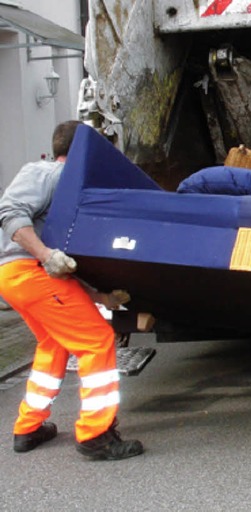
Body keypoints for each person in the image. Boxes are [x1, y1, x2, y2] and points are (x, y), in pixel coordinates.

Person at [0, 120, 144, 460]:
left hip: (25, 277)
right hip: (31, 273)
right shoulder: (47, 173)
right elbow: (9, 212)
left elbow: (66, 259)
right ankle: (96, 435)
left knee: (54, 344)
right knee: (97, 340)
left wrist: (100, 297)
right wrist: (45, 256)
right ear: (82, 150)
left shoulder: (69, 185)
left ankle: (29, 427)